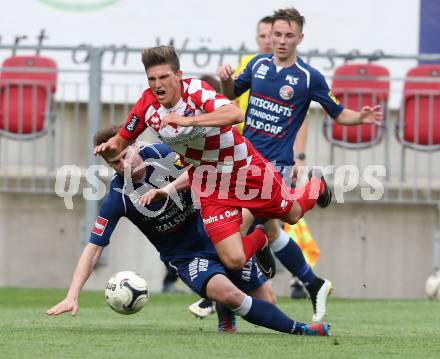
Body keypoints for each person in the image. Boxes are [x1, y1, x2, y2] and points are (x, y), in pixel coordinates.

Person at [47, 126, 330, 336]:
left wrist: (167, 189)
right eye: (115, 163)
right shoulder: (117, 197)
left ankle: (259, 241)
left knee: (266, 294)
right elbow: (94, 248)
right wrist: (73, 295)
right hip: (184, 256)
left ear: (134, 145)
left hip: (212, 227)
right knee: (228, 293)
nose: (123, 165)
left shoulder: (160, 153)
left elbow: (199, 166)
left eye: (124, 156)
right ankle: (302, 329)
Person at [94, 46, 334, 287]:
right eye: (152, 79)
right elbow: (121, 139)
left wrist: (188, 120)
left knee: (292, 214)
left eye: (164, 77)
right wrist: (109, 147)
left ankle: (317, 186)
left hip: (243, 168)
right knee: (233, 259)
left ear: (178, 75)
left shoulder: (196, 91)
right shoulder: (147, 105)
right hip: (209, 181)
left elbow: (234, 113)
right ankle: (260, 239)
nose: (158, 85)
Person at [217, 7, 383, 320]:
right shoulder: (258, 64)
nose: (280, 41)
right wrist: (226, 81)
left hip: (275, 166)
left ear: (300, 38)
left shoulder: (308, 78)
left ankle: (217, 300)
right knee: (273, 230)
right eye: (276, 34)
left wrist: (359, 117)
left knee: (235, 227)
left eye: (288, 35)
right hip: (245, 161)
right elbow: (230, 95)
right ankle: (312, 282)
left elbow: (338, 112)